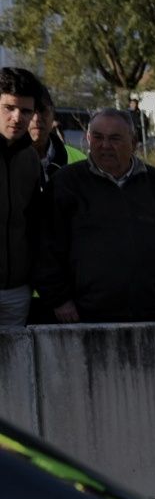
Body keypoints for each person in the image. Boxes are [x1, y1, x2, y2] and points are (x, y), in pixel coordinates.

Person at [34, 109, 155, 323]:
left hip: (154, 313)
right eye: (98, 137)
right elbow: (46, 249)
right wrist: (60, 299)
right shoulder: (66, 184)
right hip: (86, 316)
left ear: (134, 142)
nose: (105, 145)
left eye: (114, 138)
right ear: (88, 138)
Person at [0, 66, 41, 330]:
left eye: (26, 111)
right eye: (9, 108)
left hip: (17, 290)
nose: (17, 117)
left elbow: (33, 221)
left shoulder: (30, 158)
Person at [27, 87, 84, 180]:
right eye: (30, 111)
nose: (36, 118)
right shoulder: (6, 160)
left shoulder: (79, 160)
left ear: (53, 114)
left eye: (43, 110)